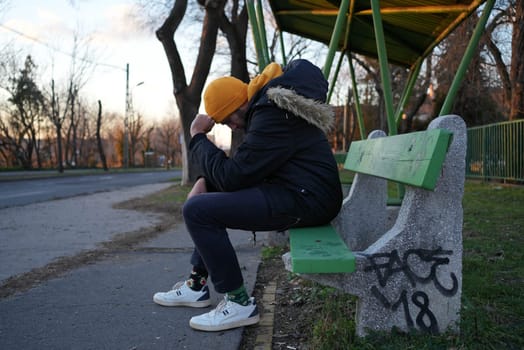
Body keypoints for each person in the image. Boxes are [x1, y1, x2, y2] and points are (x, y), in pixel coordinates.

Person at [153, 59, 343, 332]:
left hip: (309, 200)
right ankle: (197, 286)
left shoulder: (272, 114)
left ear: (237, 106)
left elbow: (235, 176)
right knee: (206, 194)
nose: (232, 127)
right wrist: (204, 181)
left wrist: (197, 138)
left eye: (228, 119)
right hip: (298, 191)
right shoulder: (269, 109)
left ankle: (239, 303)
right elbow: (239, 171)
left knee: (197, 211)